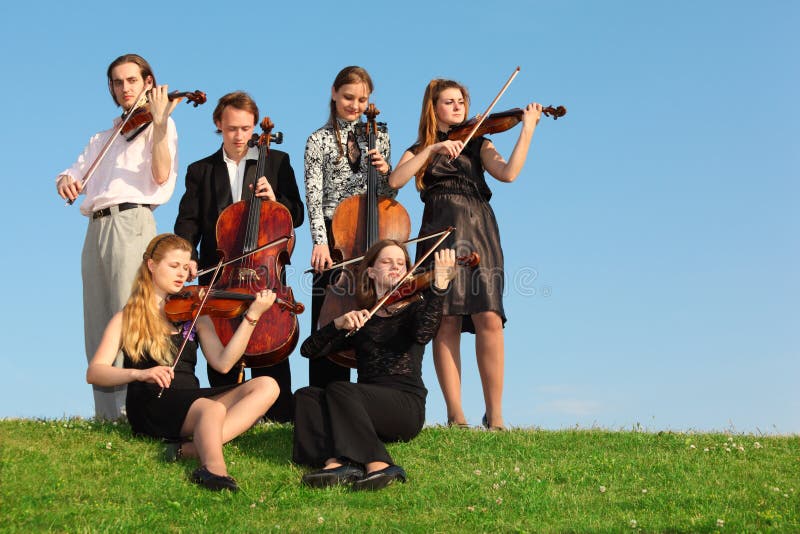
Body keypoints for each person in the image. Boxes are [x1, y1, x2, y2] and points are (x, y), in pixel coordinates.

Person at [388, 79, 543, 430]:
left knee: (489, 316)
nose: (457, 108)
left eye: (461, 102)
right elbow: (396, 181)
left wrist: (528, 129)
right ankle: (456, 414)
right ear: (434, 108)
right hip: (439, 233)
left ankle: (496, 414)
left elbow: (509, 173)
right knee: (446, 320)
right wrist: (432, 150)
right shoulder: (419, 150)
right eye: (449, 102)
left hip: (480, 232)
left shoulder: (480, 143)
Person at [86, 234, 280, 491]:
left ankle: (187, 449)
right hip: (152, 401)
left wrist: (251, 317)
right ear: (152, 266)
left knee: (268, 386)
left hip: (190, 398)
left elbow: (223, 364)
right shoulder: (128, 316)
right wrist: (139, 374)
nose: (182, 274)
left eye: (186, 266)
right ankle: (214, 470)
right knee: (211, 409)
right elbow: (95, 372)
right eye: (174, 266)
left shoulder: (196, 313)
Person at [56, 54, 180, 420]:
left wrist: (159, 124)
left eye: (131, 80)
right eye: (117, 82)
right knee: (97, 315)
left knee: (130, 314)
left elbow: (160, 175)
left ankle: (134, 409)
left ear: (147, 82)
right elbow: (71, 174)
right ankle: (106, 414)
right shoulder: (103, 137)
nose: (124, 88)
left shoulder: (162, 125)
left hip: (132, 222)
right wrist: (66, 181)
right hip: (96, 225)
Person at [174, 91, 304, 423]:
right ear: (218, 124)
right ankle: (224, 414)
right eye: (232, 128)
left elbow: (297, 213)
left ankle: (277, 416)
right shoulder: (200, 170)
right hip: (221, 273)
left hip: (264, 272)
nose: (240, 136)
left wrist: (276, 200)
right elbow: (187, 221)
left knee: (270, 341)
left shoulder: (276, 162)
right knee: (221, 346)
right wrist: (187, 256)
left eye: (246, 129)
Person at [293, 240, 456, 491]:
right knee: (307, 395)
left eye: (401, 263)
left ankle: (380, 465)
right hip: (364, 409)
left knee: (339, 388)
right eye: (387, 262)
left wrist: (441, 286)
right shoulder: (363, 317)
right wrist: (337, 324)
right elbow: (309, 351)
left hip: (405, 406)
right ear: (370, 271)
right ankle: (336, 464)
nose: (396, 267)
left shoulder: (416, 309)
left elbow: (424, 333)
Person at [304, 65, 395, 389]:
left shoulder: (379, 134)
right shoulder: (318, 140)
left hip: (372, 233)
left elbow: (388, 195)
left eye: (362, 99)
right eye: (348, 97)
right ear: (334, 93)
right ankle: (324, 394)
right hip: (335, 235)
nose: (355, 105)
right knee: (329, 314)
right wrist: (320, 242)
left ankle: (379, 393)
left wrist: (386, 171)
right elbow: (313, 196)